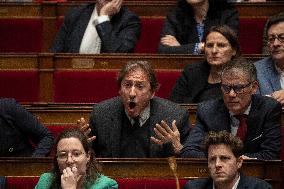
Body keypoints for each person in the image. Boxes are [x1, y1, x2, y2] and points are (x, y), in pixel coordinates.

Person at [78, 60, 190, 158]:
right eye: (127, 85)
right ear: (120, 90)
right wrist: (81, 146)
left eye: (140, 86)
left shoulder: (175, 116)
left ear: (152, 93)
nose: (132, 93)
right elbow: (92, 160)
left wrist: (179, 149)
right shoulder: (101, 115)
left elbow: (191, 162)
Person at [181, 58, 282, 160]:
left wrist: (232, 161)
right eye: (226, 88)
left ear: (254, 87)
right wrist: (224, 160)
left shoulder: (268, 109)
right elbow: (189, 151)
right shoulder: (207, 111)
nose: (231, 94)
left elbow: (271, 155)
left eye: (238, 88)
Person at [170, 25, 241, 103]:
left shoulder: (243, 76)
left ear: (234, 50)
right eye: (209, 45)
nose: (214, 51)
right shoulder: (191, 72)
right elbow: (173, 105)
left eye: (221, 45)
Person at [184, 131, 272, 189]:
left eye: (224, 158)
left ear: (239, 162)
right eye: (212, 159)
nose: (217, 164)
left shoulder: (261, 188)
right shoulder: (193, 187)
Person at [35, 128, 118, 189]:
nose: (69, 161)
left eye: (76, 154)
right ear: (57, 159)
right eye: (63, 155)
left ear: (88, 156)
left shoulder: (106, 185)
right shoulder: (45, 182)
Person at [50, 0, 141, 53]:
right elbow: (55, 53)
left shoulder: (130, 21)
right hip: (73, 76)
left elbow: (118, 55)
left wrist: (103, 18)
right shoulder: (76, 14)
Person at [158, 0, 239, 54]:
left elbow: (227, 47)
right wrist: (202, 47)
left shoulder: (227, 14)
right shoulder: (175, 15)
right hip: (186, 69)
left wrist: (181, 48)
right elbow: (164, 49)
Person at [255, 13, 284, 106]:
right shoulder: (256, 70)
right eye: (271, 39)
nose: (275, 44)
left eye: (282, 38)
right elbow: (254, 106)